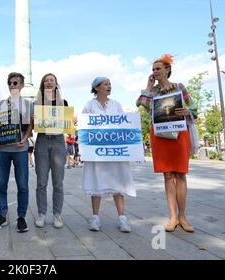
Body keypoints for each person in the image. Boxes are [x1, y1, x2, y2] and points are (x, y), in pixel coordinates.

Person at [137, 54, 196, 233]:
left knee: (180, 174)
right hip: (160, 134)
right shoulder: (153, 92)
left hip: (179, 133)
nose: (155, 72)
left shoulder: (179, 87)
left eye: (158, 69)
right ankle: (172, 216)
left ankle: (182, 216)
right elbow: (141, 103)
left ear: (167, 70)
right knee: (167, 175)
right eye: (153, 70)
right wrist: (148, 87)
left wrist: (188, 111)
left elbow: (193, 107)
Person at [83, 77, 136, 233]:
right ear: (97, 87)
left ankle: (122, 218)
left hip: (114, 150)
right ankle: (95, 217)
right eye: (106, 84)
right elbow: (85, 126)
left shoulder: (116, 104)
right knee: (96, 182)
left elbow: (123, 124)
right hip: (97, 151)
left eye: (110, 84)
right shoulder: (89, 105)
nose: (109, 86)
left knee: (118, 182)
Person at [0, 72, 33, 233]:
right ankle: (1, 214)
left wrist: (26, 137)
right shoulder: (0, 104)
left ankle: (21, 217)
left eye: (16, 83)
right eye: (10, 83)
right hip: (2, 149)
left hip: (20, 148)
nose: (12, 85)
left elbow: (31, 124)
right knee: (1, 184)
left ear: (22, 85)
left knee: (22, 184)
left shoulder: (28, 104)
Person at [33, 73, 68, 229]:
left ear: (56, 83)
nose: (48, 82)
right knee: (41, 182)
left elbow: (66, 124)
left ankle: (57, 214)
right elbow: (33, 124)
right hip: (42, 140)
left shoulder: (63, 102)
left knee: (58, 182)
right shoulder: (37, 103)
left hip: (58, 141)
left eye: (51, 80)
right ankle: (41, 213)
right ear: (42, 84)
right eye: (46, 80)